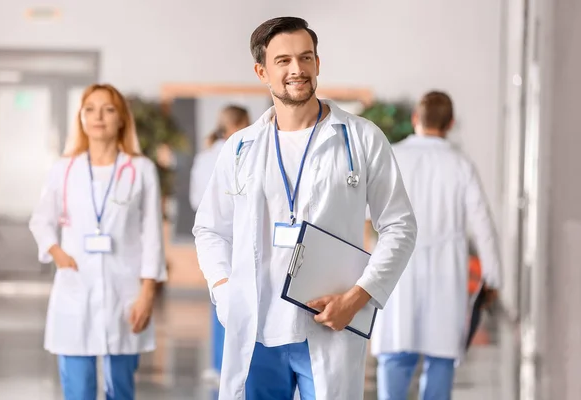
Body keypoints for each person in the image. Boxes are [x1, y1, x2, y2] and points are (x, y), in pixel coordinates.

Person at [193, 17, 417, 400]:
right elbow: (210, 229)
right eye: (283, 61)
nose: (296, 69)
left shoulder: (361, 139)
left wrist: (359, 296)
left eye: (305, 57)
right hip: (258, 328)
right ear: (262, 71)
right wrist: (223, 288)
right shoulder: (241, 147)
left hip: (329, 323)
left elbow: (400, 226)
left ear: (317, 64)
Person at [29, 83, 167, 400]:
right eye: (90, 109)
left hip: (126, 292)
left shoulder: (141, 169)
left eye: (108, 109)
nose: (98, 117)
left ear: (121, 119)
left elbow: (152, 237)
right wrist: (57, 253)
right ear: (81, 117)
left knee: (121, 387)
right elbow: (41, 219)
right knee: (77, 387)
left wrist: (147, 295)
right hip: (76, 286)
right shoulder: (64, 169)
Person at [370, 91, 501, 400]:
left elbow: (366, 215)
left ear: (415, 119)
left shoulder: (393, 155)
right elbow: (483, 225)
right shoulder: (460, 164)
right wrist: (493, 278)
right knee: (441, 357)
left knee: (395, 353)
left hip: (397, 273)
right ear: (451, 123)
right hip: (445, 276)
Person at [190, 106, 250, 383]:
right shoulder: (229, 153)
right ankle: (228, 366)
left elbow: (194, 199)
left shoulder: (206, 155)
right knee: (227, 296)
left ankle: (220, 365)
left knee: (222, 300)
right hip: (229, 236)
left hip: (225, 237)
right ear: (236, 124)